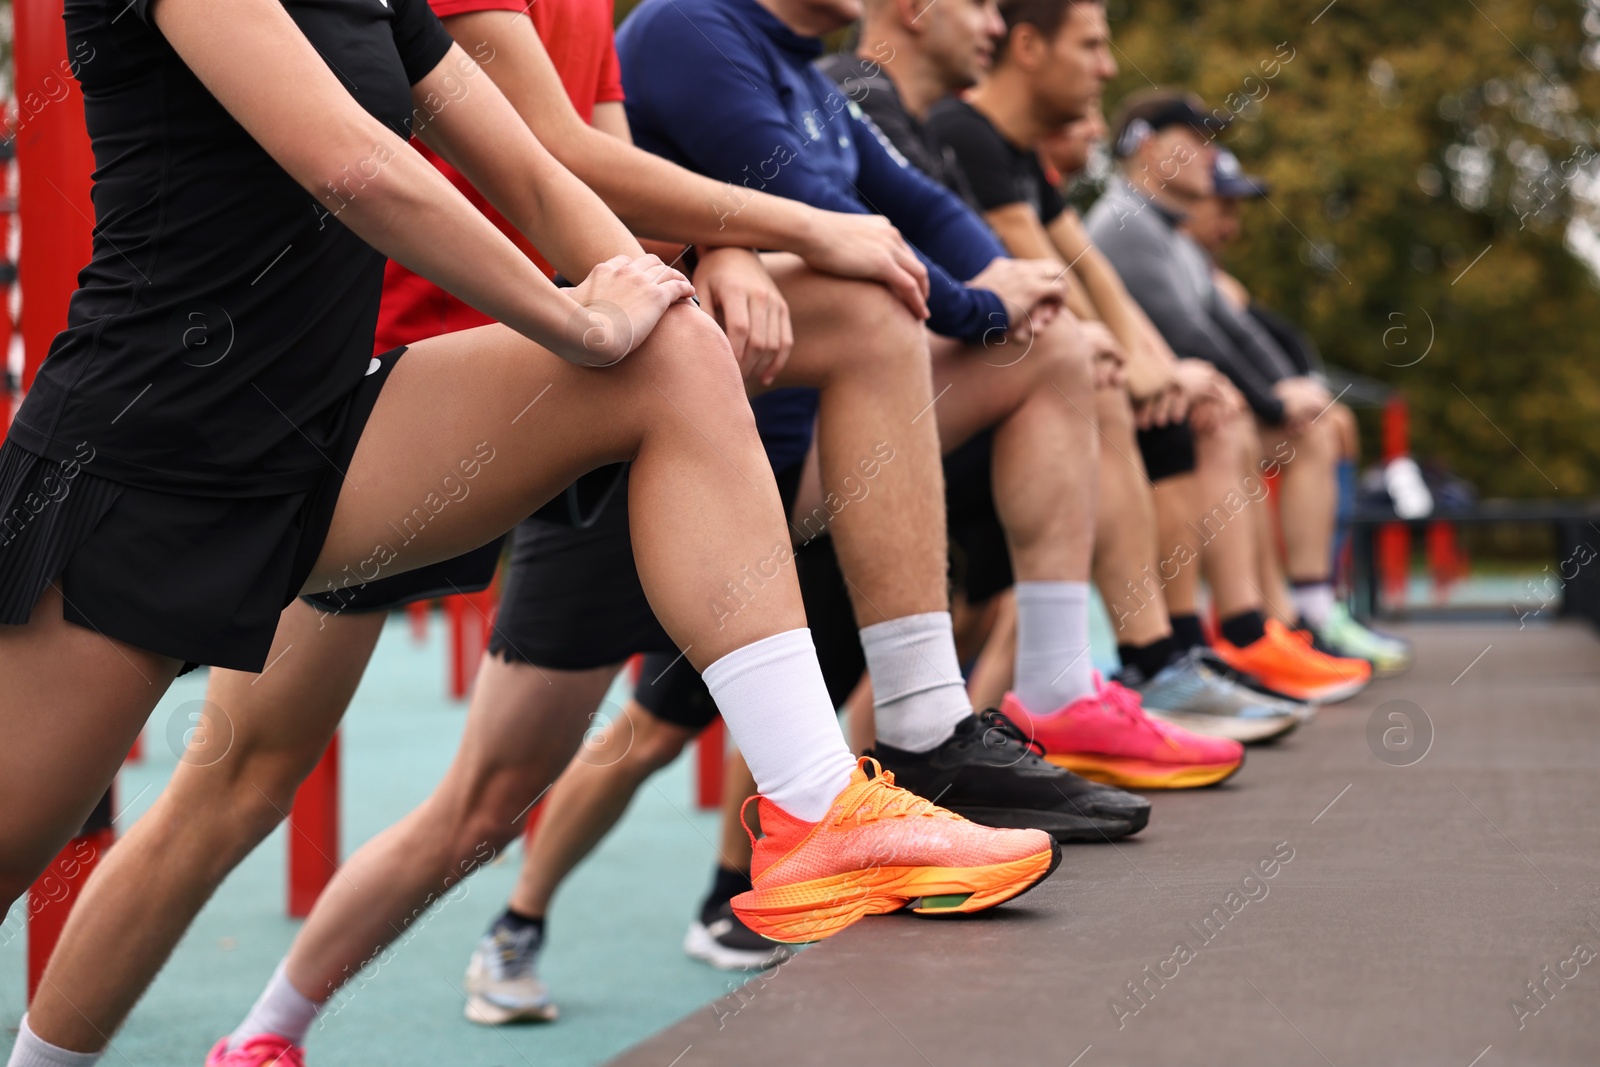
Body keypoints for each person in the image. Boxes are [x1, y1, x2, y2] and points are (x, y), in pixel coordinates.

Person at [3, 2, 1067, 1066]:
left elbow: (540, 170)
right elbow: (353, 166)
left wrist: (660, 293)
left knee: (670, 355)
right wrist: (572, 317)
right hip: (140, 465)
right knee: (103, 821)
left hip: (326, 435)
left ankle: (815, 807)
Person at [823, 0, 1306, 743]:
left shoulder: (940, 132)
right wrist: (1119, 353)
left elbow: (1060, 273)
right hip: (826, 423)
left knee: (962, 635)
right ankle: (1155, 662)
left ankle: (1175, 655)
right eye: (1092, 46)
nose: (1106, 70)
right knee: (675, 720)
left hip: (900, 402)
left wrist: (1155, 363)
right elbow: (1015, 267)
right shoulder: (926, 120)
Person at [1083, 89, 1373, 703]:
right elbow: (1187, 334)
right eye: (1197, 144)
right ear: (1150, 150)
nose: (1212, 159)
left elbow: (1235, 329)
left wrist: (1292, 391)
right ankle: (1238, 631)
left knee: (1301, 424)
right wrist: (1270, 402)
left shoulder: (1175, 237)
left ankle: (1288, 619)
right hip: (1119, 416)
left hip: (1163, 405)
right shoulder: (1126, 222)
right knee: (1228, 422)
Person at [1180, 150, 1412, 675]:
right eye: (1224, 208)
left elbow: (1273, 340)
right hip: (1171, 421)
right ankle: (1277, 621)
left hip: (1209, 412)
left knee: (1323, 421)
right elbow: (1205, 345)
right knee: (1294, 432)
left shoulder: (1200, 269)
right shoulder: (1157, 251)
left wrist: (1291, 388)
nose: (1233, 227)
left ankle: (1301, 612)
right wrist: (1274, 400)